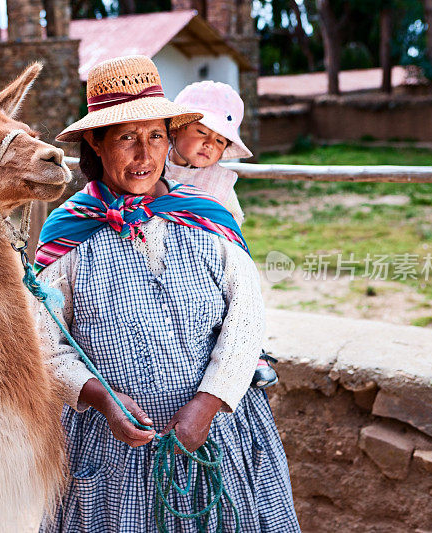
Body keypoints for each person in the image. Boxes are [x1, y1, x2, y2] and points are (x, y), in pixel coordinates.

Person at [34, 55, 300, 532]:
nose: (144, 154)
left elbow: (246, 318)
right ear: (95, 141)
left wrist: (207, 404)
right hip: (110, 453)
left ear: (170, 138)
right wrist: (99, 397)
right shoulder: (69, 232)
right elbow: (42, 340)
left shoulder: (206, 215)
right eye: (126, 137)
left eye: (155, 135)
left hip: (219, 434)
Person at [167, 80, 279, 389]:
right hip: (157, 255)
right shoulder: (151, 167)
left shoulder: (219, 185)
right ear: (175, 130)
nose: (208, 145)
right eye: (201, 133)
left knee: (239, 291)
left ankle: (251, 350)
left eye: (219, 141)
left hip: (207, 259)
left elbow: (231, 230)